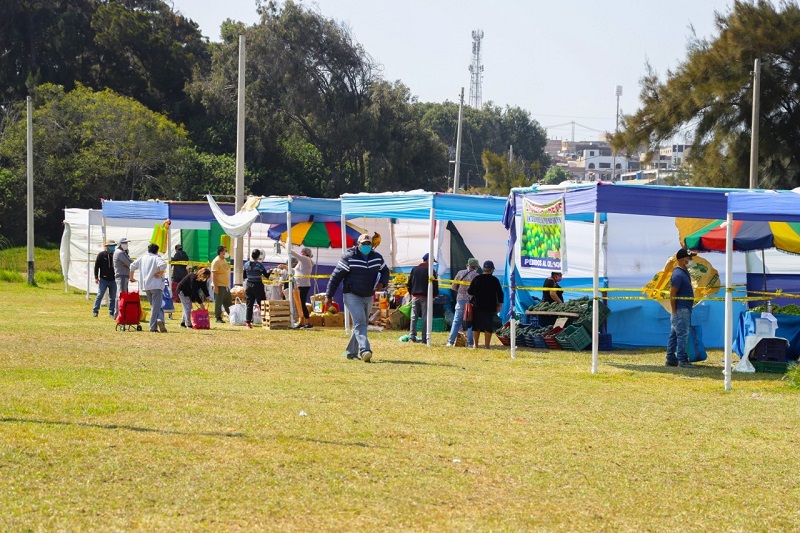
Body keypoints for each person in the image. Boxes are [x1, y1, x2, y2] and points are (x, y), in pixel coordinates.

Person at [325, 233, 389, 363]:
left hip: (368, 295)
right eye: (363, 244)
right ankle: (365, 350)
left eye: (368, 244)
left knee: (361, 325)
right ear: (358, 244)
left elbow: (385, 271)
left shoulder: (377, 258)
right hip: (351, 294)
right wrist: (329, 296)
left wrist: (382, 283)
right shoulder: (349, 257)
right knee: (360, 323)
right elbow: (336, 277)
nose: (366, 246)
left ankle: (350, 352)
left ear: (372, 245)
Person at [666, 247, 697, 368]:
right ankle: (682, 360)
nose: (691, 260)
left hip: (682, 309)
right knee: (683, 335)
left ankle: (670, 359)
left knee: (674, 334)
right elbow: (672, 294)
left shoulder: (683, 272)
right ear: (683, 260)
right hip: (681, 310)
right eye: (689, 258)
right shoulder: (678, 274)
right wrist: (674, 311)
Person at [130, 243, 168, 333]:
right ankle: (153, 326)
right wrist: (160, 274)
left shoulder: (142, 258)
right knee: (156, 307)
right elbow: (163, 265)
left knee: (155, 306)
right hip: (156, 285)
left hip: (146, 286)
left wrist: (131, 277)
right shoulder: (156, 258)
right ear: (157, 251)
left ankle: (160, 319)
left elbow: (132, 266)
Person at [467, 260, 504, 349]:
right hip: (490, 306)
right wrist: (500, 305)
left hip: (477, 306)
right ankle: (487, 346)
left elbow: (470, 291)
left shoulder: (477, 279)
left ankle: (475, 345)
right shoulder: (494, 280)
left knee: (476, 326)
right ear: (491, 270)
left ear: (483, 269)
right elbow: (500, 293)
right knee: (488, 326)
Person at [447, 258, 480, 347]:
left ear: (468, 265)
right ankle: (470, 343)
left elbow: (453, 287)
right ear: (476, 266)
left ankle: (450, 342)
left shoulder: (460, 273)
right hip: (471, 300)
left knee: (456, 321)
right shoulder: (477, 276)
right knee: (470, 321)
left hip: (460, 299)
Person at [407, 252, 439, 344]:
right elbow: (435, 284)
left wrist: (410, 293)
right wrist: (434, 295)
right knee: (425, 318)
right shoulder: (430, 270)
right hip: (426, 297)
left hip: (415, 296)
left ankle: (412, 337)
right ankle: (424, 338)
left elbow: (409, 283)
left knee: (413, 317)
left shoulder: (414, 269)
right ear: (428, 260)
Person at [244, 249, 269, 328]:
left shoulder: (246, 264)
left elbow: (244, 276)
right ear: (258, 256)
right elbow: (267, 275)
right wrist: (270, 271)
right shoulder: (259, 265)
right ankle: (265, 320)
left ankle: (248, 321)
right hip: (258, 285)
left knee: (249, 304)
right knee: (262, 303)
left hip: (248, 285)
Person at [290, 247, 314, 328]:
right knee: (300, 304)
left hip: (304, 285)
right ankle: (303, 321)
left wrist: (287, 248)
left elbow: (295, 255)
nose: (301, 253)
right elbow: (296, 271)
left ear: (306, 253)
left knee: (302, 304)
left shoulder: (306, 259)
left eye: (302, 252)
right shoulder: (302, 262)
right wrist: (285, 267)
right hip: (300, 285)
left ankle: (307, 321)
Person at [92, 240, 117, 318]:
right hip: (103, 279)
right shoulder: (101, 255)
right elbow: (96, 266)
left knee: (113, 297)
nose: (113, 247)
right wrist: (96, 277)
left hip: (113, 279)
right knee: (100, 295)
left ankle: (111, 312)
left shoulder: (116, 255)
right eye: (111, 246)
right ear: (107, 246)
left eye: (114, 246)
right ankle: (95, 310)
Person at [211, 245, 232, 324]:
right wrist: (216, 286)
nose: (226, 252)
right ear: (220, 252)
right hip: (219, 285)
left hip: (225, 286)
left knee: (227, 301)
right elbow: (214, 274)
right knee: (218, 302)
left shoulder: (224, 260)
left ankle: (231, 315)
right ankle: (218, 317)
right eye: (225, 251)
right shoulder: (216, 261)